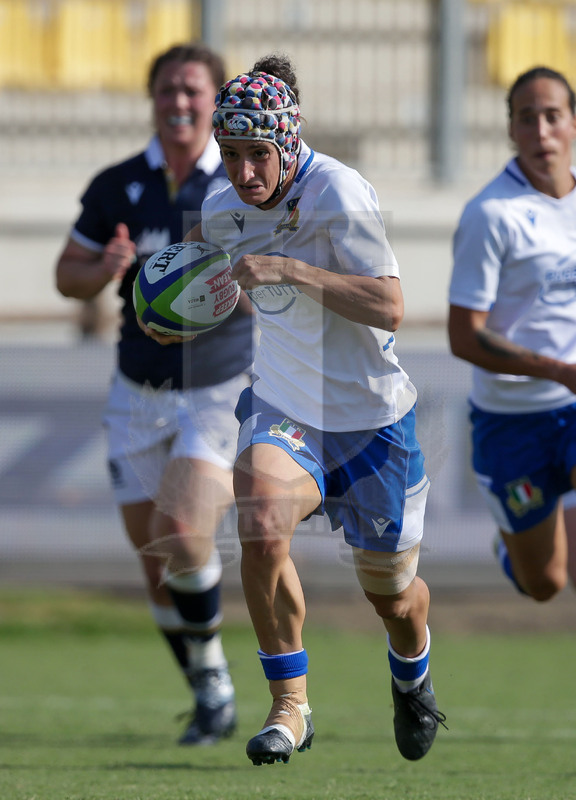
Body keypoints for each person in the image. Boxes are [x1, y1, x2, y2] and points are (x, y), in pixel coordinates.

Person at [140, 53, 447, 765]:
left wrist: (288, 269)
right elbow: (191, 268)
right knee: (261, 515)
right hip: (285, 405)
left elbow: (390, 305)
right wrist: (170, 312)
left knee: (393, 595)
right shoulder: (223, 208)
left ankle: (413, 672)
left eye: (256, 155)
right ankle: (290, 705)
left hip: (373, 422)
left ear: (288, 143)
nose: (243, 174)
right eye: (231, 155)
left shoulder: (342, 193)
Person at [55, 43, 254, 745]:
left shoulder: (237, 184)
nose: (180, 102)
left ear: (215, 102)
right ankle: (209, 687)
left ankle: (240, 687)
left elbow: (275, 284)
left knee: (182, 531)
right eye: (168, 89)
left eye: (194, 91)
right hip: (137, 391)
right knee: (158, 569)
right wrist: (101, 267)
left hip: (219, 388)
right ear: (151, 97)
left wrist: (226, 298)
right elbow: (66, 275)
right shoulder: (118, 184)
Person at [448, 66, 576, 603]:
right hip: (512, 423)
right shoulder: (491, 214)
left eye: (553, 116)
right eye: (528, 119)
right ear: (511, 130)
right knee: (544, 583)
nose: (542, 131)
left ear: (573, 123)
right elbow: (464, 337)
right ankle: (517, 551)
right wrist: (557, 371)